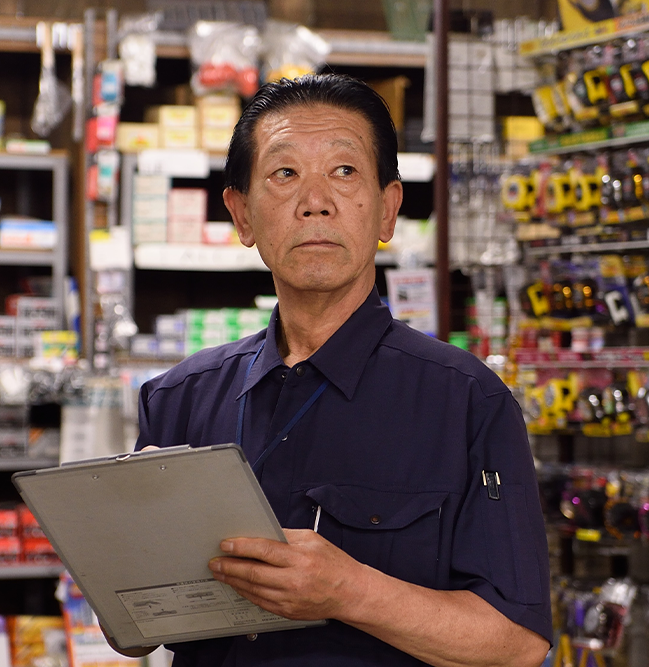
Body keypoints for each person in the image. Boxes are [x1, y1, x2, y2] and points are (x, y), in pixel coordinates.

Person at [124, 74, 552, 667]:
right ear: (241, 215)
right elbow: (132, 631)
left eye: (345, 172)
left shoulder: (469, 402)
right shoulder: (176, 400)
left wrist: (350, 591)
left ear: (388, 210)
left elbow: (516, 644)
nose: (315, 200)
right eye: (284, 173)